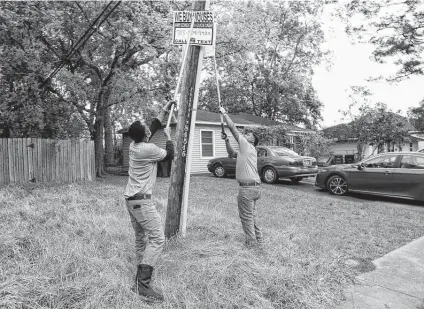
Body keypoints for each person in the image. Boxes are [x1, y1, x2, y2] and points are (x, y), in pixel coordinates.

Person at [124, 100, 175, 302]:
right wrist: (169, 137)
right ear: (145, 136)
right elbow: (169, 155)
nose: (149, 127)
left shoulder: (134, 145)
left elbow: (152, 126)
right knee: (157, 238)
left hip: (131, 200)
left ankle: (138, 277)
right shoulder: (148, 149)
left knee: (140, 239)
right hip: (142, 202)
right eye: (147, 129)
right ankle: (142, 285)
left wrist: (165, 110)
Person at [219, 106, 263, 246]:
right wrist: (226, 141)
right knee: (252, 216)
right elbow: (232, 154)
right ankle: (259, 241)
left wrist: (224, 113)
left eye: (249, 135)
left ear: (252, 141)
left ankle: (251, 244)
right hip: (254, 188)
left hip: (247, 189)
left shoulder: (247, 146)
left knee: (246, 217)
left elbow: (233, 129)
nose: (246, 135)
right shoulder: (247, 152)